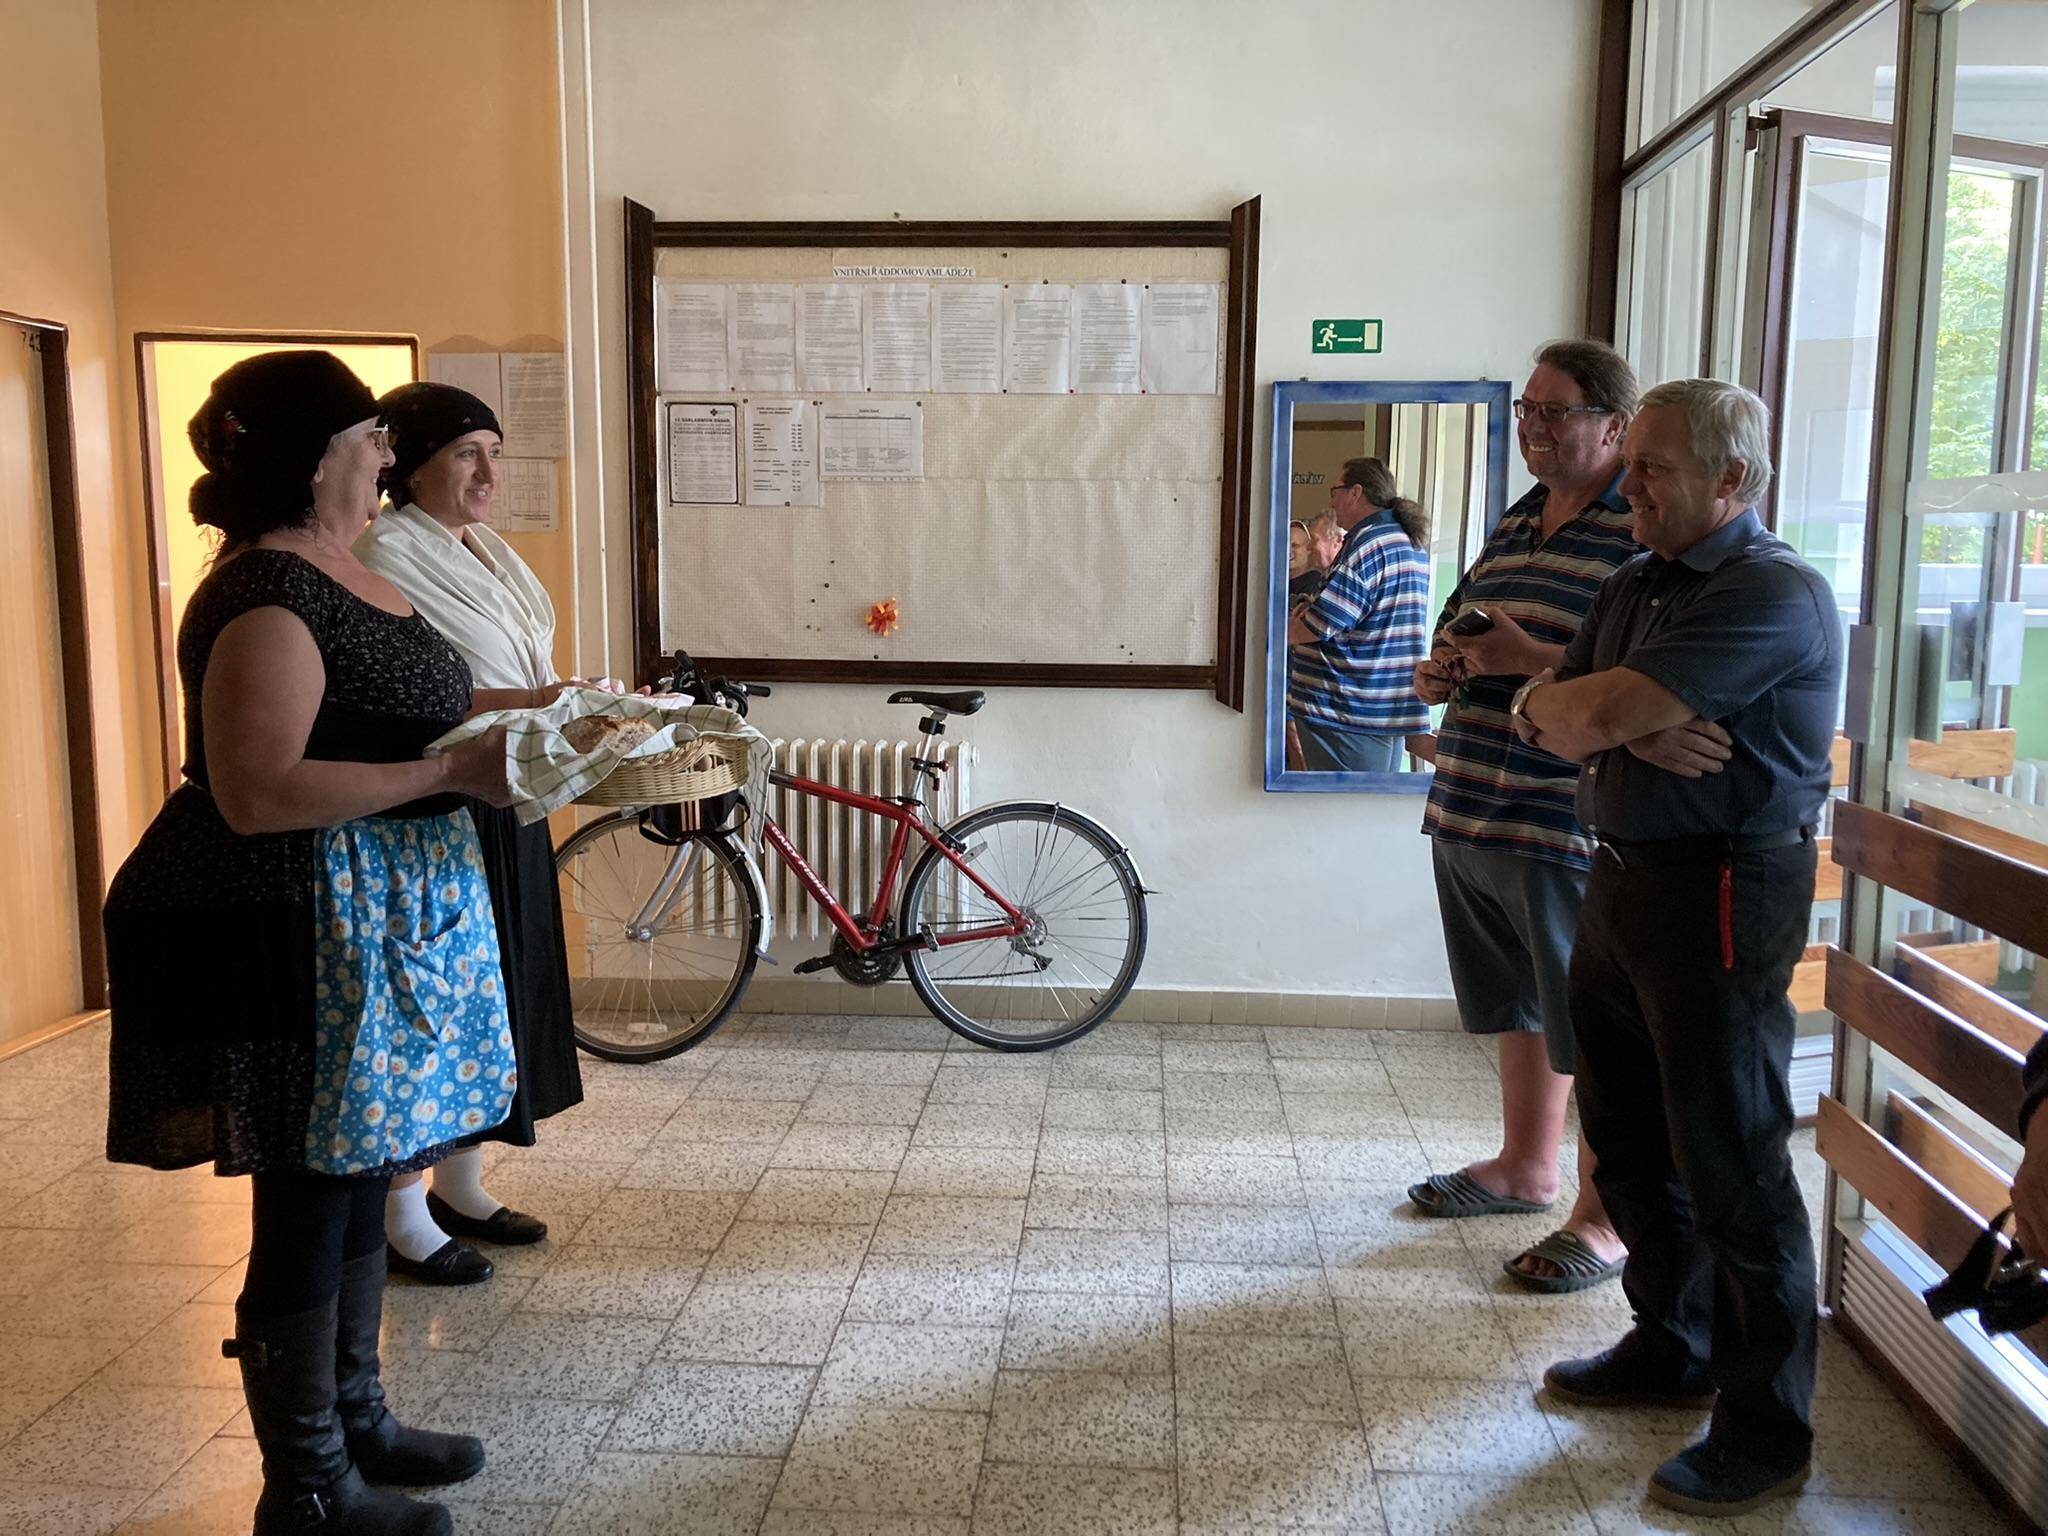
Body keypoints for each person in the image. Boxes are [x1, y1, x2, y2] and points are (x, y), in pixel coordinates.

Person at [102, 351, 518, 1535]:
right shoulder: (263, 594)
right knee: (310, 1189)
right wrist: (451, 774)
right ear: (316, 453)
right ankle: (309, 1486)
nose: (387, 452)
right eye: (371, 434)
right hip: (290, 929)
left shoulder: (343, 569)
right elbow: (258, 791)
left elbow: (399, 705)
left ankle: (358, 1422)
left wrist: (550, 709)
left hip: (366, 927)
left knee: (356, 1172)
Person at [1514, 378, 1841, 1517]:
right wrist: (1613, 722)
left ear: (1731, 479)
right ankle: (1673, 1344)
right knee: (1627, 1133)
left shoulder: (1772, 592)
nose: (1629, 487)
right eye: (1633, 463)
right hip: (1619, 877)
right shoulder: (1634, 582)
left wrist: (1606, 719)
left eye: (1650, 467)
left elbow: (1590, 717)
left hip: (1721, 889)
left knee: (1731, 1156)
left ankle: (1766, 1429)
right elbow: (1547, 713)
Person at [1406, 340, 1642, 1297]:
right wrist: (1443, 664)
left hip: (1560, 809)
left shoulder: (1638, 525)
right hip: (1474, 795)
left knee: (1592, 1016)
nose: (1535, 429)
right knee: (1518, 997)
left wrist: (1522, 659)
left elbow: (1640, 675)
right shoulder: (1519, 516)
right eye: (1527, 411)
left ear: (1614, 426)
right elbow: (1462, 615)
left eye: (1557, 412)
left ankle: (1604, 1216)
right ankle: (1524, 1168)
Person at [354, 381, 584, 1284]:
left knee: (496, 997)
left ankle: (461, 1185)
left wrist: (559, 703)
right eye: (465, 453)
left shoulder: (479, 549)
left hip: (499, 788)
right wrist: (544, 698)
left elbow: (509, 670)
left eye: (495, 452)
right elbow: (422, 693)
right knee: (437, 1004)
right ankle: (402, 1215)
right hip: (433, 805)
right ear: (412, 467)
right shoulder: (386, 556)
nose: (489, 472)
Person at [1285, 458, 1430, 772]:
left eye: (1335, 491)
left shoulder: (1369, 544)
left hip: (1349, 711)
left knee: (1341, 802)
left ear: (1356, 492)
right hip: (1375, 706)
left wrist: (1295, 624)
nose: (1332, 502)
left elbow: (1319, 623)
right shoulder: (1405, 540)